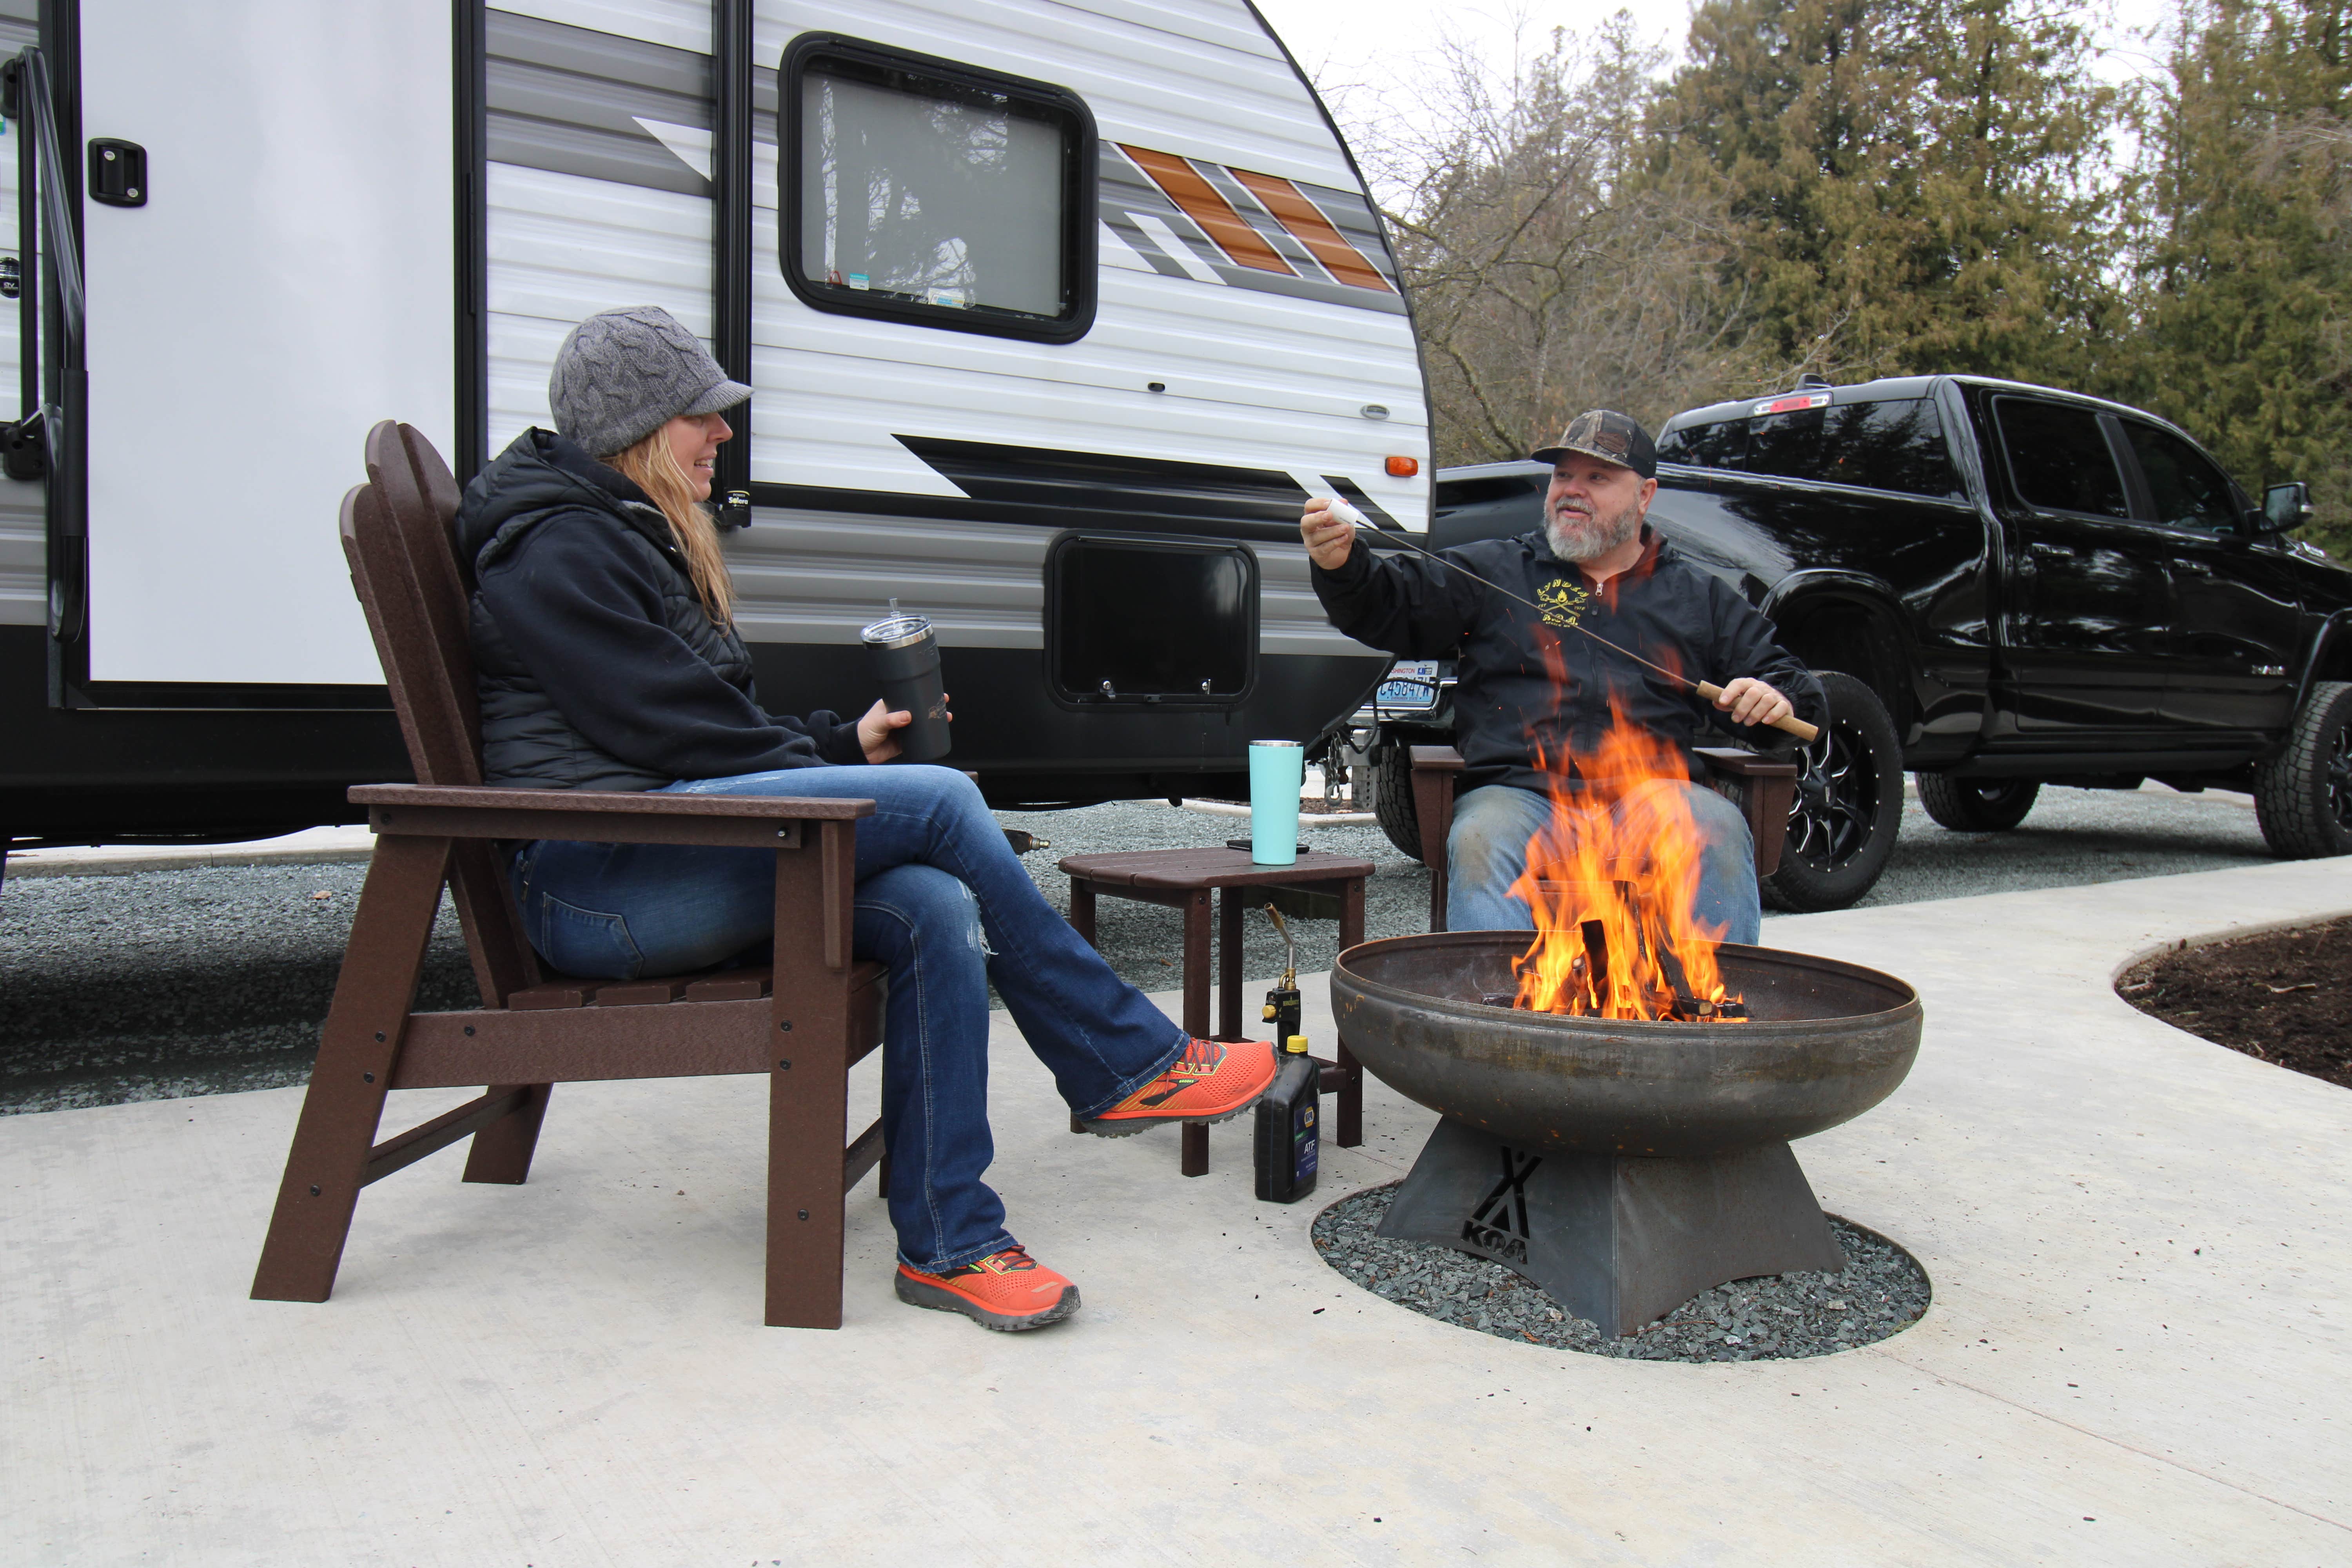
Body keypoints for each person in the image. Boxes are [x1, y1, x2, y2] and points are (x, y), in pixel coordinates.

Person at [456, 305, 1276, 1332]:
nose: (722, 434)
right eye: (699, 416)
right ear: (637, 425)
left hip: (659, 845)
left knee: (932, 902)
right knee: (944, 800)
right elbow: (667, 725)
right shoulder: (558, 549)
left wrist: (840, 748)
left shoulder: (610, 532)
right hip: (595, 884)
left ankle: (952, 1241)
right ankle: (1129, 1062)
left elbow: (695, 724)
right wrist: (827, 763)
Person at [1300, 410, 1825, 942]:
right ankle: (1500, 1018)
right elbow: (1390, 604)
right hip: (1519, 796)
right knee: (1482, 836)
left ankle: (1709, 1018)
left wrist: (1774, 699)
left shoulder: (1698, 596)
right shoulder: (1497, 570)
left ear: (1645, 496)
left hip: (1654, 799)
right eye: (1564, 477)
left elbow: (1789, 690)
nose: (1573, 492)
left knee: (1716, 827)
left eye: (1597, 479)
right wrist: (1343, 567)